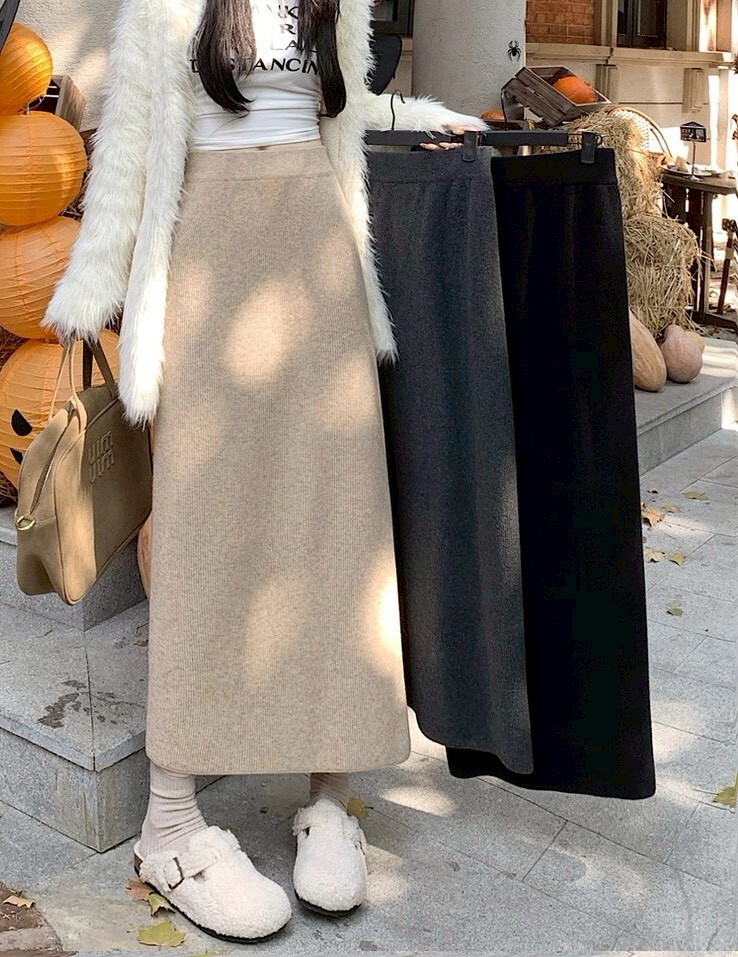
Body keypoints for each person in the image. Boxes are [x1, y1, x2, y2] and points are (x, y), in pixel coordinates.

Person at [41, 0, 487, 944]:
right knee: (204, 527)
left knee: (338, 519)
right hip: (209, 259)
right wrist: (89, 291)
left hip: (318, 261)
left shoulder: (336, 3)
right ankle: (168, 823)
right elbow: (127, 152)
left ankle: (329, 794)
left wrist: (426, 116)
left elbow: (342, 114)